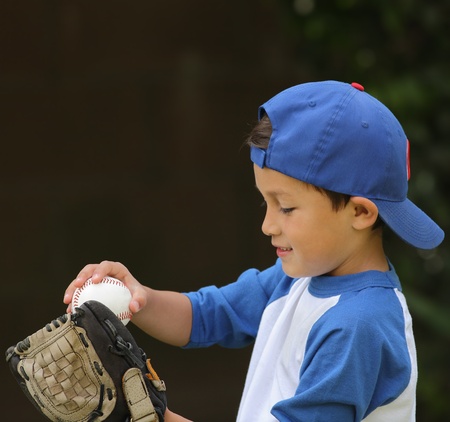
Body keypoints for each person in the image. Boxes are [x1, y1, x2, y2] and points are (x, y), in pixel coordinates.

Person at [63, 80, 444, 422]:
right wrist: (137, 298)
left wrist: (152, 417)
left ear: (360, 212)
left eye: (287, 207)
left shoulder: (359, 325)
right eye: (266, 203)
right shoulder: (299, 277)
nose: (268, 225)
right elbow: (207, 315)